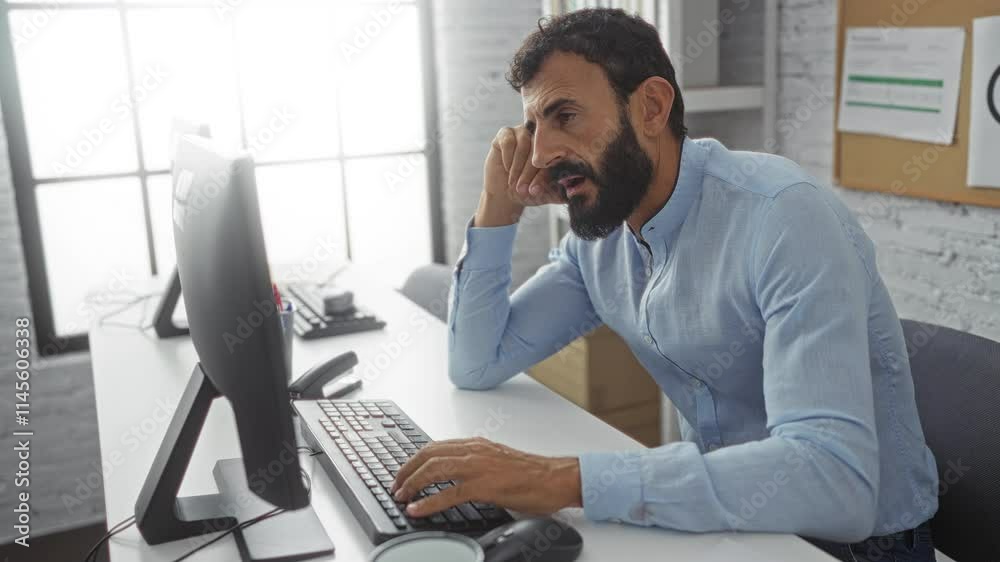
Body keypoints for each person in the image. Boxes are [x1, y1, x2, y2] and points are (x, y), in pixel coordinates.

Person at [391, 8, 939, 561]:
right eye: (534, 127)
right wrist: (497, 207)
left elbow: (835, 481)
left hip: (857, 545)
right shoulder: (601, 239)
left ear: (651, 107)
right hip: (724, 524)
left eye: (566, 115)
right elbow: (476, 363)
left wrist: (561, 480)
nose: (539, 155)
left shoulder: (783, 217)